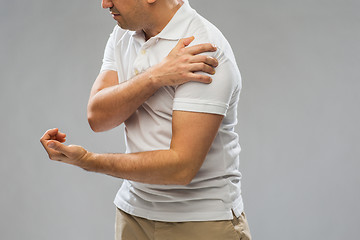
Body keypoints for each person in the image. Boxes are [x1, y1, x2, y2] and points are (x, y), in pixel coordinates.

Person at [40, 0, 251, 239]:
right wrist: (154, 77)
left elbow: (181, 168)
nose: (104, 4)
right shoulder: (124, 33)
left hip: (201, 222)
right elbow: (98, 117)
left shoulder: (200, 48)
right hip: (133, 215)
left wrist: (90, 161)